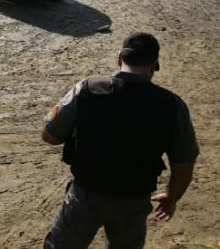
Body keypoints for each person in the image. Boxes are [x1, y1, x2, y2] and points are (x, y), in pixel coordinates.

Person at [42, 32, 199, 249]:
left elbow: (50, 136)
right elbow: (184, 162)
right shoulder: (173, 106)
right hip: (133, 202)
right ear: (154, 65)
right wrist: (172, 197)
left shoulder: (87, 89)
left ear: (119, 58)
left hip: (85, 195)